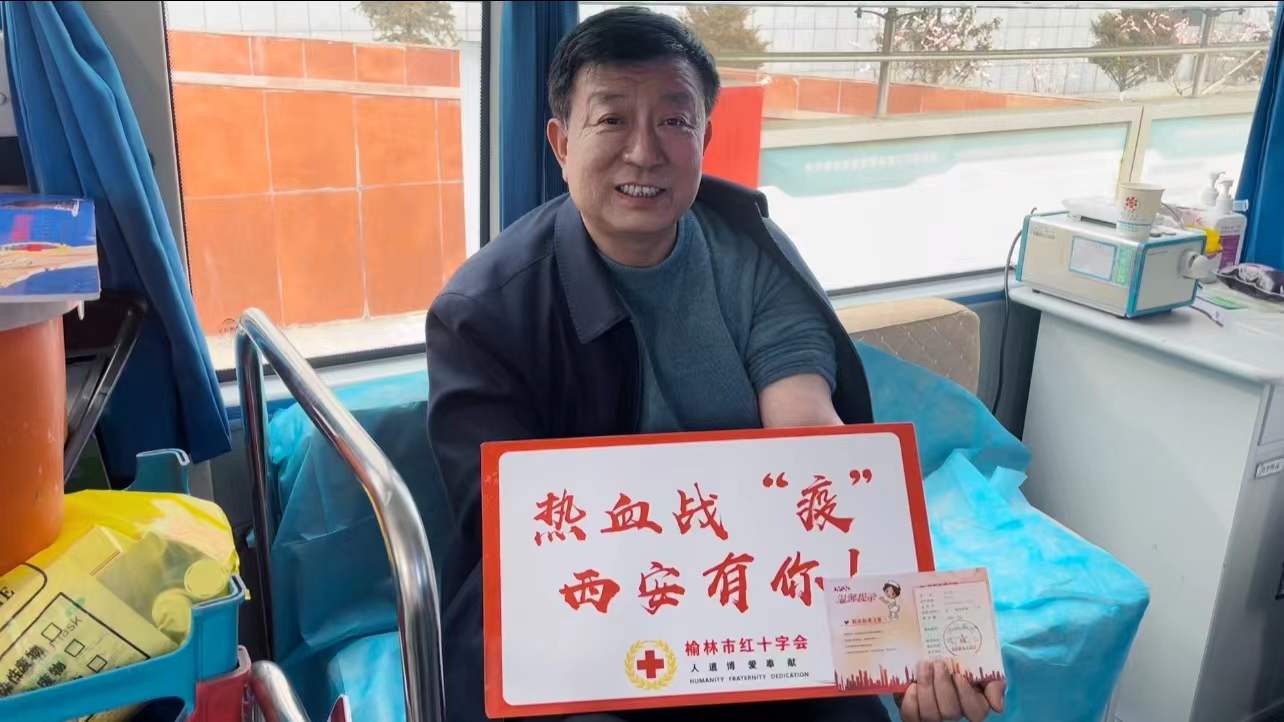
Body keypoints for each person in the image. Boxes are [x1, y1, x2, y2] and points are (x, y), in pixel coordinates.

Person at [425, 7, 1005, 722]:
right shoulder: (482, 314)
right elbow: (518, 539)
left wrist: (912, 642)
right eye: (612, 119)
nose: (645, 152)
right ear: (561, 143)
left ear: (705, 136)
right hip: (573, 609)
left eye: (675, 120)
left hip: (748, 594)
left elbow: (808, 439)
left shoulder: (753, 258)